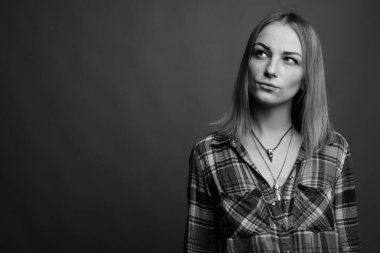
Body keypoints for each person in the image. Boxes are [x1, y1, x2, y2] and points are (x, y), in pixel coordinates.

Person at [184, 11, 361, 253]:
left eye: (289, 59)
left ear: (307, 77)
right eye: (261, 53)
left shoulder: (334, 150)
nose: (270, 69)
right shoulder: (209, 155)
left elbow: (349, 247)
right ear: (248, 62)